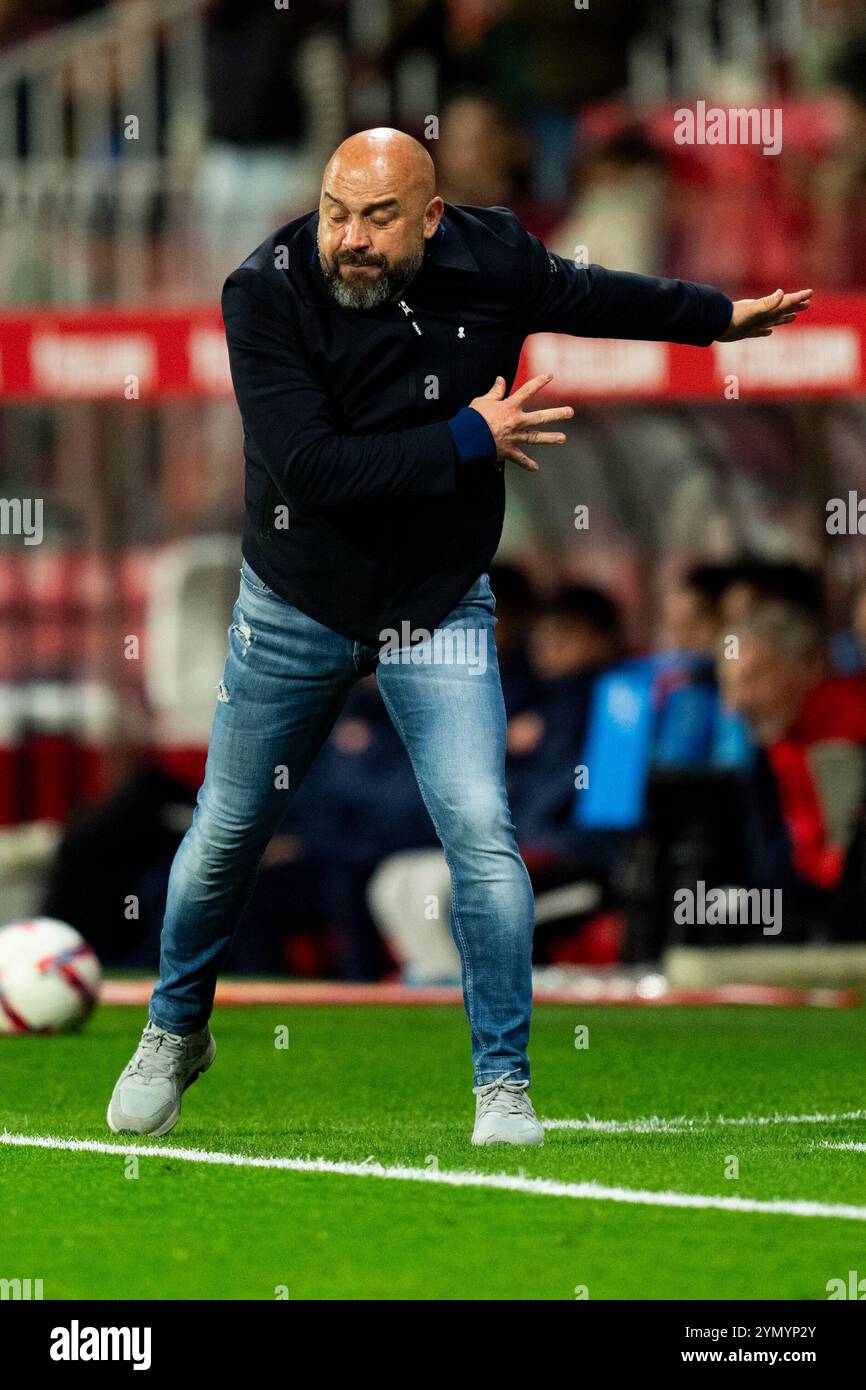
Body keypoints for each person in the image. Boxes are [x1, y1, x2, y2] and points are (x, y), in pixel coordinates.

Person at [107, 126, 811, 1146]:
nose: (347, 237)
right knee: (222, 834)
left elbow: (593, 293)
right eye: (335, 211)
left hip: (436, 604)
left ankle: (503, 1085)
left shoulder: (494, 260)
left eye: (377, 218)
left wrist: (715, 320)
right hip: (295, 603)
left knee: (480, 833)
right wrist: (466, 437)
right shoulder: (262, 292)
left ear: (430, 220)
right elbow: (312, 470)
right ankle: (174, 1028)